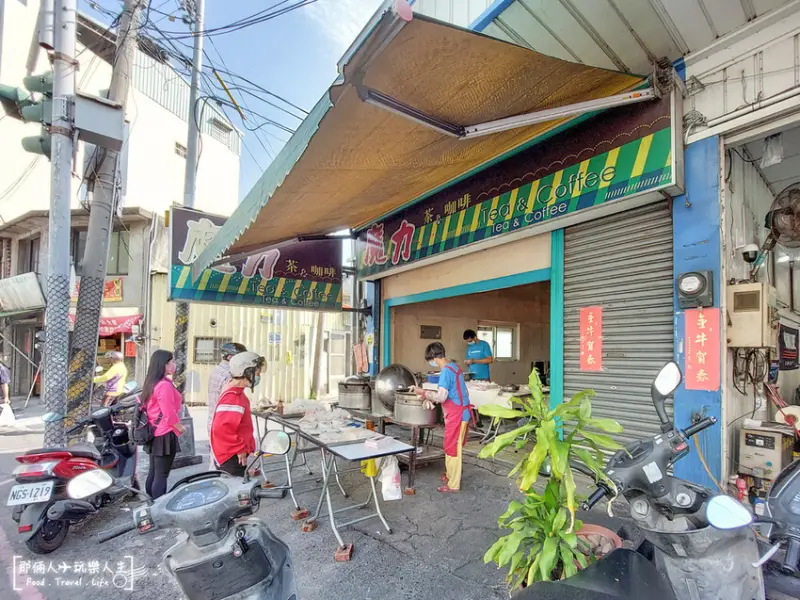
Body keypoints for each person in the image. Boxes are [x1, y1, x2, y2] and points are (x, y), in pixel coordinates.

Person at [412, 342, 473, 493]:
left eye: (430, 360)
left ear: (433, 357)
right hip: (459, 412)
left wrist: (423, 392)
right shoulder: (454, 366)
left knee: (453, 448)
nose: (431, 363)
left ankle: (453, 484)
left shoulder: (446, 371)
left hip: (457, 415)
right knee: (450, 445)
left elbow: (442, 396)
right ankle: (450, 474)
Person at [210, 352, 266, 477]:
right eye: (257, 373)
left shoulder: (235, 391)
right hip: (231, 455)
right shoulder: (233, 397)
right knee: (239, 491)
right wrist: (239, 449)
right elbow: (222, 428)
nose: (258, 376)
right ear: (246, 372)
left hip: (231, 453)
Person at [142, 350, 185, 499]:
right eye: (171, 361)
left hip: (154, 432)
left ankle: (151, 502)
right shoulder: (164, 385)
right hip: (165, 433)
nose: (174, 364)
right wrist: (179, 427)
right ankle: (158, 505)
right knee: (161, 475)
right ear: (163, 364)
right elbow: (168, 411)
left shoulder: (151, 383)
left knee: (154, 472)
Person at [207, 342, 247, 467]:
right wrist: (239, 448)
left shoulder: (218, 371)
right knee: (226, 468)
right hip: (224, 427)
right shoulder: (228, 377)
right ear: (230, 357)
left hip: (213, 422)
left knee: (215, 463)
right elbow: (229, 408)